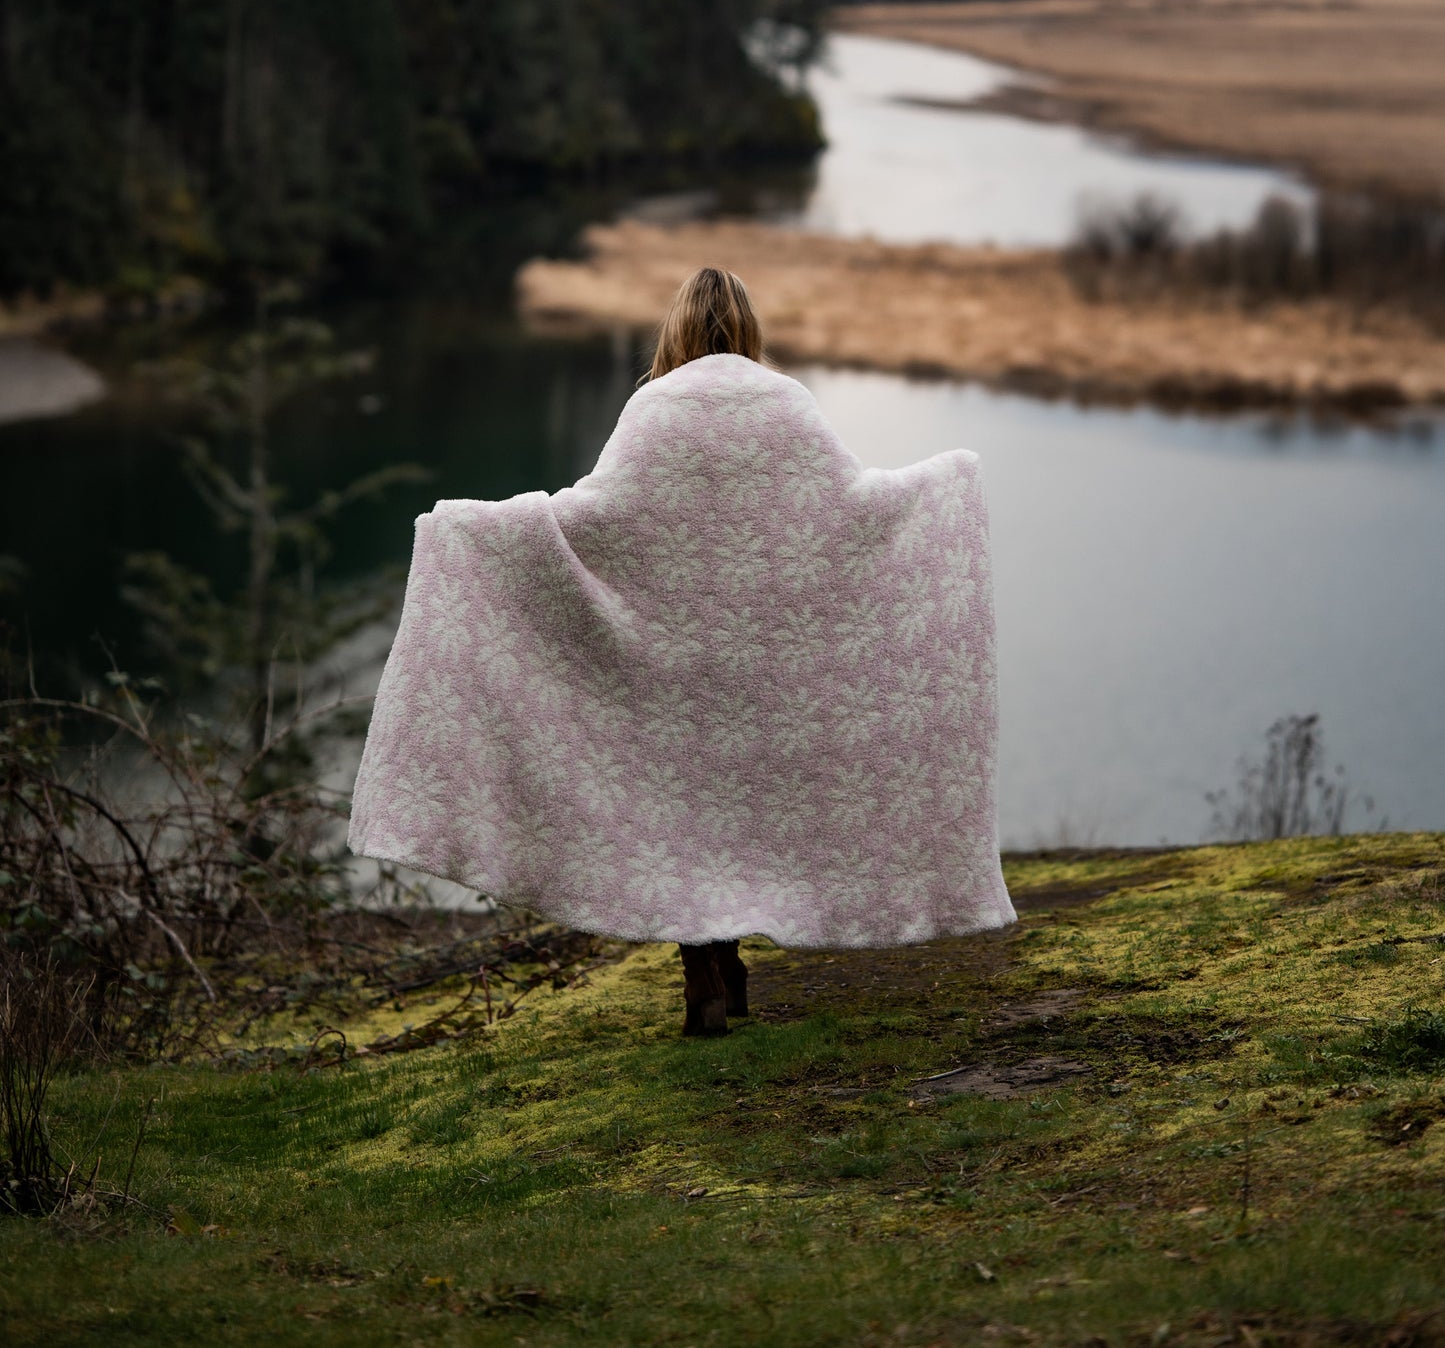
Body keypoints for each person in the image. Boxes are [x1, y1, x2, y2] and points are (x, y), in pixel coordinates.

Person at [350, 265, 1014, 1038]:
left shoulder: (652, 409)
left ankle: (704, 971)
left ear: (675, 332)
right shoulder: (786, 403)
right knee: (740, 804)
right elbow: (847, 511)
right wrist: (943, 487)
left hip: (675, 671)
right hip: (767, 670)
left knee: (684, 804)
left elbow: (594, 520)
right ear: (748, 328)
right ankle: (729, 963)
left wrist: (469, 532)